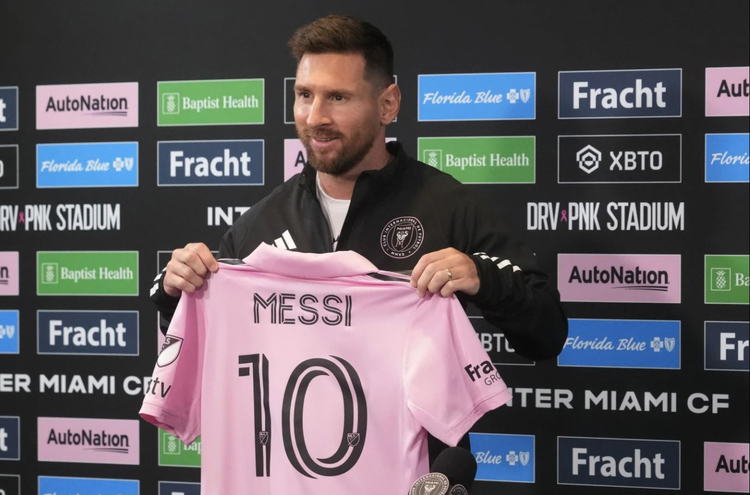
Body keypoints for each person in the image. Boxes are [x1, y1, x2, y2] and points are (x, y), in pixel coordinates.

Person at [150, 14, 567, 459]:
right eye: (304, 95)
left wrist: (483, 277)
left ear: (388, 105)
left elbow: (547, 334)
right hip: (290, 479)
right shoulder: (259, 224)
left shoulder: (448, 205)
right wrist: (177, 295)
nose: (315, 117)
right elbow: (214, 355)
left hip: (412, 475)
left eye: (338, 98)